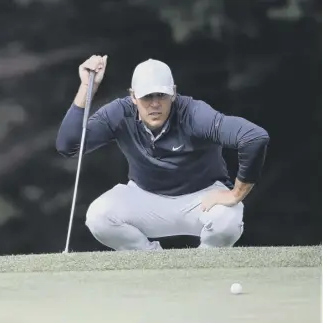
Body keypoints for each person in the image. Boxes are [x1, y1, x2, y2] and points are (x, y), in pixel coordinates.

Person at [55, 55, 270, 251]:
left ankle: (205, 266)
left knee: (228, 222)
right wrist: (87, 86)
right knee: (99, 217)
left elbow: (253, 137)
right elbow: (69, 145)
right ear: (133, 97)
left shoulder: (194, 114)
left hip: (201, 198)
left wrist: (235, 194)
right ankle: (152, 263)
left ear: (174, 93)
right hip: (145, 198)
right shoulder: (120, 113)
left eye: (161, 95)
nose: (155, 104)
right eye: (147, 97)